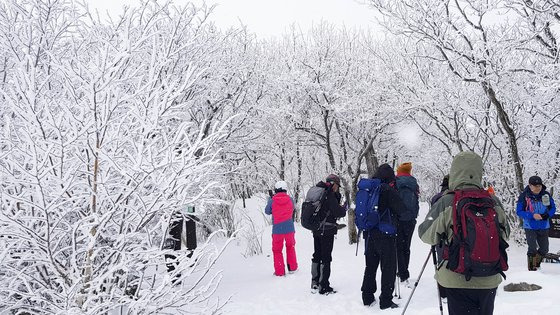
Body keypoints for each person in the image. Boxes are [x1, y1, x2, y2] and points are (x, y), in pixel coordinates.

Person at [418, 151, 510, 315]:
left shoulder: (447, 201)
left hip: (457, 277)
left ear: (454, 172)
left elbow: (426, 234)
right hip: (488, 278)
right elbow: (505, 235)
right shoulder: (493, 201)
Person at [361, 164, 406, 309]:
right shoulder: (387, 189)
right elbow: (401, 209)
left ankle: (367, 296)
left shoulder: (368, 188)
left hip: (369, 233)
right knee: (388, 267)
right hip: (385, 234)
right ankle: (386, 300)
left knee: (370, 266)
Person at [310, 174, 347, 295]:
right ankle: (324, 285)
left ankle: (315, 282)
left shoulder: (320, 193)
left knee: (317, 255)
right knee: (326, 257)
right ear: (333, 184)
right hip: (327, 230)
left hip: (317, 229)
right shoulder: (329, 195)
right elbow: (339, 212)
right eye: (337, 185)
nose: (338, 188)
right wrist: (344, 207)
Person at [516, 175, 556, 271]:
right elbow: (519, 211)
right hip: (530, 226)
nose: (538, 188)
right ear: (530, 185)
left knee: (544, 249)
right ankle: (532, 268)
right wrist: (531, 215)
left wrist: (546, 215)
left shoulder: (546, 195)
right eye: (535, 186)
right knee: (532, 248)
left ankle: (536, 264)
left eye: (539, 186)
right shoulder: (524, 196)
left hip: (544, 226)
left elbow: (553, 208)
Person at [265, 181, 298, 276]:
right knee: (290, 247)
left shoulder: (272, 200)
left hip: (277, 230)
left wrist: (270, 201)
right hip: (289, 229)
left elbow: (267, 211)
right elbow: (293, 208)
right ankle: (292, 267)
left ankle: (280, 272)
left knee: (277, 250)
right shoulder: (291, 200)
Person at [395, 162, 420, 287]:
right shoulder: (414, 183)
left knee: (398, 246)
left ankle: (401, 272)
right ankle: (405, 272)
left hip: (398, 219)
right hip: (410, 219)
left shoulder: (395, 181)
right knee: (406, 246)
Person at [430, 174, 449, 301]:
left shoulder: (437, 198)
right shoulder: (457, 197)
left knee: (442, 259)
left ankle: (443, 289)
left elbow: (432, 218)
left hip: (440, 236)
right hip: (455, 235)